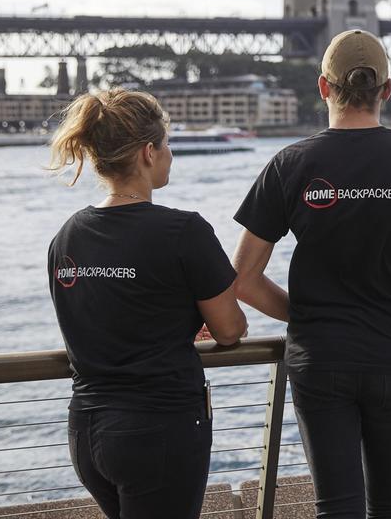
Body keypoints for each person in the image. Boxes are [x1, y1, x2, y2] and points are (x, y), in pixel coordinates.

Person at [233, 29, 391, 519]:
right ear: (386, 90)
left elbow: (241, 278)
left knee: (337, 510)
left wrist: (304, 318)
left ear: (323, 88)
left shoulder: (290, 163)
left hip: (319, 361)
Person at [47, 89, 247, 519]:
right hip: (157, 431)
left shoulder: (68, 235)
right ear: (147, 152)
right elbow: (230, 329)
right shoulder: (184, 232)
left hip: (86, 432)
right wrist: (195, 321)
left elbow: (100, 316)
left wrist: (176, 319)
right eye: (167, 145)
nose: (170, 154)